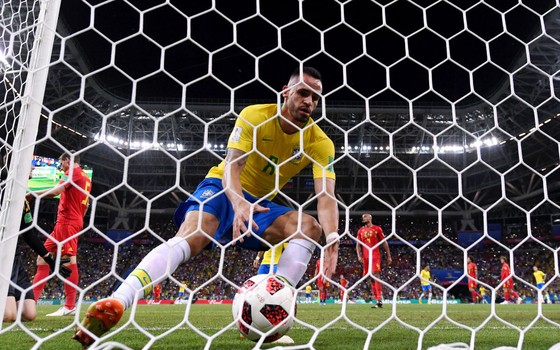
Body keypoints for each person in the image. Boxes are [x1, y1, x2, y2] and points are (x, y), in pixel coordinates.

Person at [73, 66, 340, 347]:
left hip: (260, 206)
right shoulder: (255, 116)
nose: (309, 101)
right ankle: (118, 301)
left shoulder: (320, 142)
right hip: (223, 189)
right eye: (303, 93)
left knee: (309, 227)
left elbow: (326, 195)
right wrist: (238, 203)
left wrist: (332, 236)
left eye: (315, 97)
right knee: (193, 235)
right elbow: (232, 167)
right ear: (286, 93)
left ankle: (273, 313)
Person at [2, 161, 71, 322]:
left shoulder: (22, 197)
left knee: (29, 314)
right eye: (30, 164)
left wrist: (51, 260)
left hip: (14, 259)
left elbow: (29, 235)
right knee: (7, 315)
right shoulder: (5, 191)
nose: (33, 167)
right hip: (2, 258)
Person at [25, 151, 91, 317]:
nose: (61, 168)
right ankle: (31, 301)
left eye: (62, 163)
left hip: (67, 222)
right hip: (66, 222)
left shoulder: (73, 172)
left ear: (68, 160)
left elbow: (56, 191)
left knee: (69, 260)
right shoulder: (85, 177)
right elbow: (87, 204)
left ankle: (70, 306)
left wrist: (32, 194)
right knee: (42, 259)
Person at [355, 213, 392, 309]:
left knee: (375, 274)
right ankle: (377, 301)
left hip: (375, 255)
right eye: (362, 217)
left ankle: (380, 299)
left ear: (370, 218)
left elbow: (384, 242)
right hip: (366, 257)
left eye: (365, 216)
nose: (363, 218)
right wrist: (359, 256)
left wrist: (388, 256)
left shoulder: (377, 229)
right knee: (371, 278)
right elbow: (358, 244)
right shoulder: (360, 231)